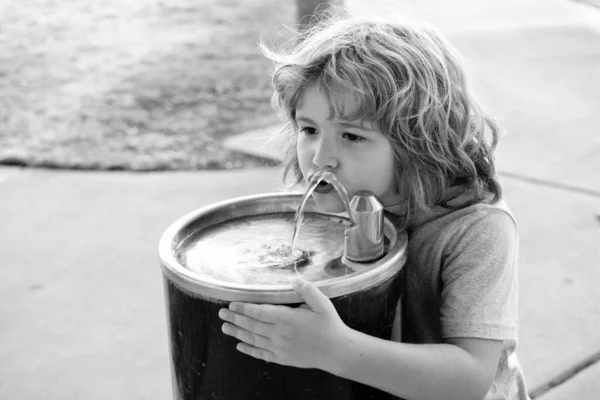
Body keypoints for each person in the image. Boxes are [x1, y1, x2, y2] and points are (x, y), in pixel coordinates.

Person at [218, 11, 530, 400]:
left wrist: (334, 350)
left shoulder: (475, 228)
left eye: (351, 136)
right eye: (309, 130)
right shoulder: (336, 204)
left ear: (417, 143)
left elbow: (468, 379)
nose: (320, 157)